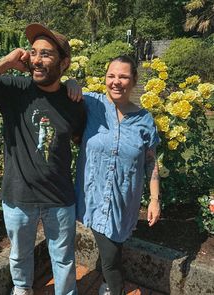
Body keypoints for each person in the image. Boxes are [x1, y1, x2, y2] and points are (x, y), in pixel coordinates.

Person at [0, 23, 85, 295]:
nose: (36, 59)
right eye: (33, 52)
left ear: (64, 63)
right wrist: (4, 63)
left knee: (63, 260)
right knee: (19, 256)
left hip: (59, 198)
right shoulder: (15, 89)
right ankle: (22, 290)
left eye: (46, 54)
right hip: (18, 196)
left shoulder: (74, 102)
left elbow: (80, 139)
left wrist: (73, 84)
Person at [75, 55, 161, 295]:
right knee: (110, 254)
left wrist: (154, 199)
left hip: (125, 200)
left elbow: (151, 161)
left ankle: (106, 283)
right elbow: (58, 97)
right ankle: (115, 288)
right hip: (94, 196)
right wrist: (71, 82)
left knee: (115, 244)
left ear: (133, 80)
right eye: (111, 75)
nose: (116, 81)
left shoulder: (145, 120)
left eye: (123, 76)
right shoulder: (92, 103)